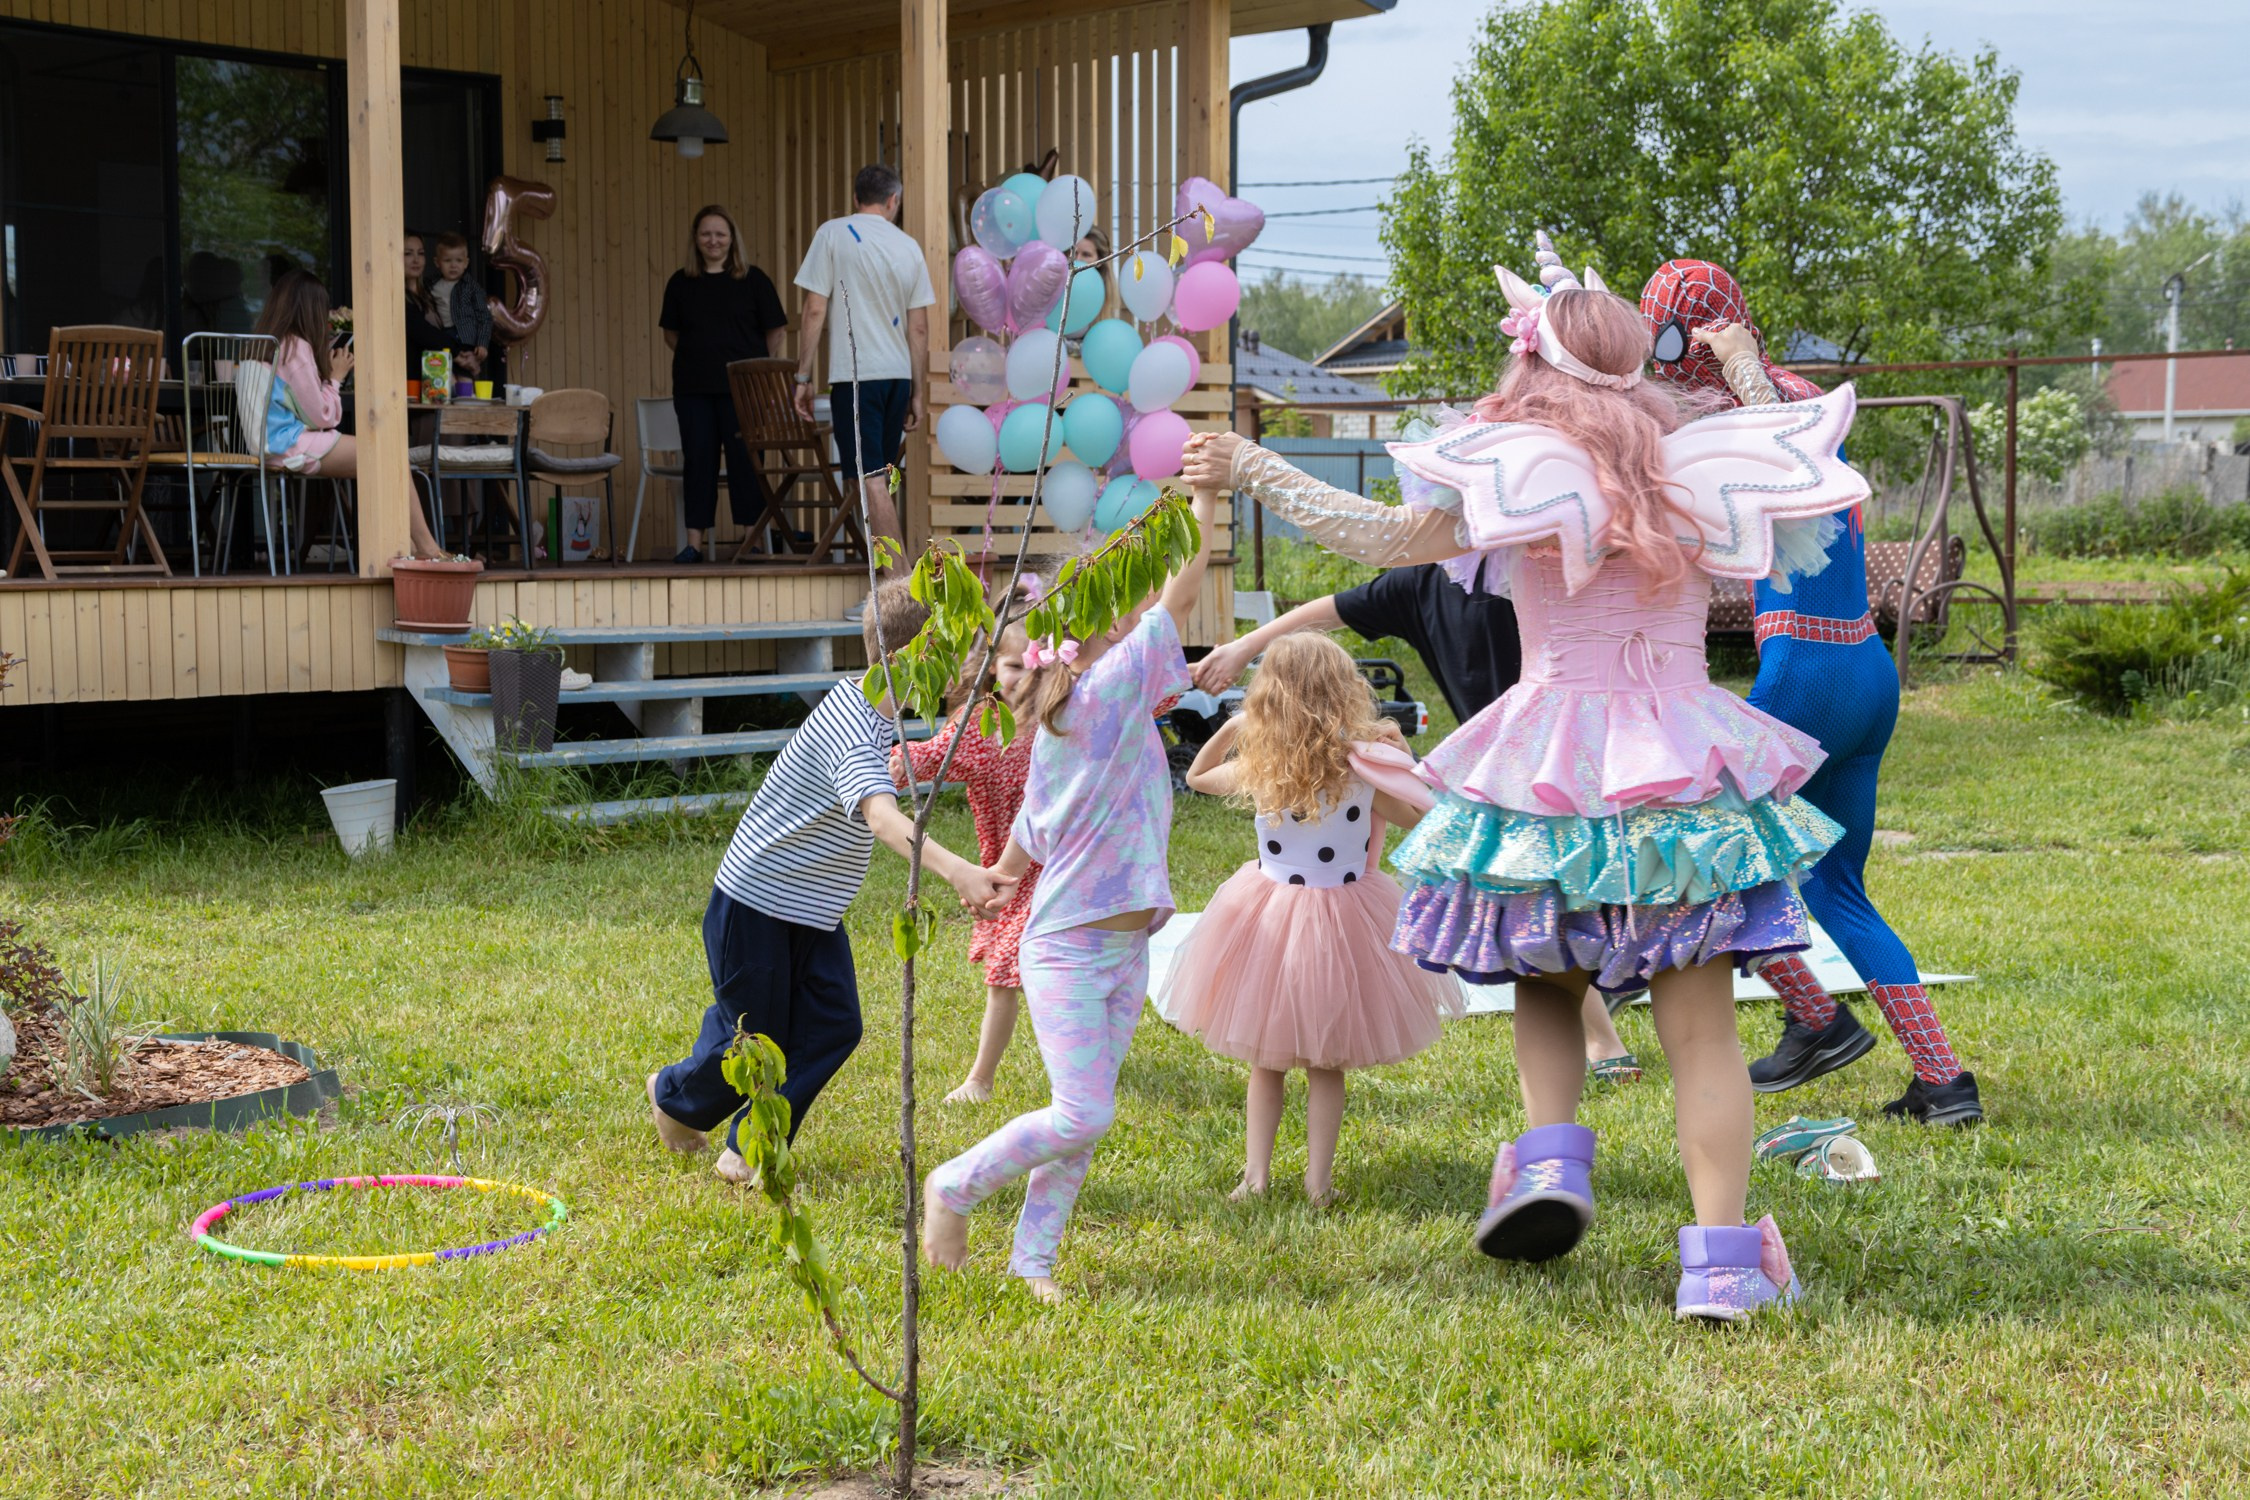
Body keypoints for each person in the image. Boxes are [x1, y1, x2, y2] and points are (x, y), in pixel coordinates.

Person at [1183, 232, 1872, 1321]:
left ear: (1532, 362)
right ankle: (1726, 1266)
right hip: (1681, 762)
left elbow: (1374, 536)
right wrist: (1739, 363)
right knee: (1701, 1029)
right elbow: (1801, 482)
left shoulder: (1509, 470)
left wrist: (1255, 466)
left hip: (1549, 758)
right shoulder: (1694, 464)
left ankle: (1553, 1165)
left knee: (1547, 980)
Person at [1639, 258, 1981, 1126]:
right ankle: (1943, 1082)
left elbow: (1783, 458)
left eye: (1669, 339)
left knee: (1692, 856)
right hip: (1865, 668)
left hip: (1805, 671)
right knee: (1836, 888)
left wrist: (1742, 368)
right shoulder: (1793, 400)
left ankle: (1817, 1017)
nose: (1666, 360)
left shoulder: (1768, 409)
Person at [923, 480, 1222, 1304]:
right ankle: (953, 1185)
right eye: (1119, 609)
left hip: (1122, 942)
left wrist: (1000, 879)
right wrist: (1205, 498)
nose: (1134, 617)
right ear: (1091, 631)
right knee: (1083, 1114)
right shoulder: (1110, 686)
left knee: (1081, 1118)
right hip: (1070, 945)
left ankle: (1033, 1262)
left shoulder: (1070, 715)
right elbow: (1186, 586)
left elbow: (1036, 825)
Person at [1190, 562, 1641, 1084]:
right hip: (1493, 765)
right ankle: (1600, 1022)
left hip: (1551, 743)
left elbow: (1410, 814)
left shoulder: (1539, 559)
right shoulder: (1423, 582)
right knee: (1529, 894)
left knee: (1557, 886)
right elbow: (1335, 608)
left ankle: (1603, 1001)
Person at [648, 580, 1015, 1185]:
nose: (966, 664)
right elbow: (880, 816)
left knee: (833, 1023)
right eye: (954, 650)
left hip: (813, 910)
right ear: (908, 659)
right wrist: (960, 871)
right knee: (754, 1038)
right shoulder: (853, 723)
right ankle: (674, 1097)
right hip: (758, 902)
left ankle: (745, 1141)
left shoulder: (879, 713)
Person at [1163, 633, 1462, 1205]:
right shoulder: (1359, 766)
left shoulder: (1263, 767)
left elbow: (1199, 776)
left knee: (1266, 1062)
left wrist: (1231, 728)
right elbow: (1414, 812)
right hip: (1339, 913)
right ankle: (1316, 1184)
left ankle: (1256, 1178)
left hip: (1274, 915)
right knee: (1328, 1062)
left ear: (1268, 696)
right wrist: (1392, 764)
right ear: (1343, 690)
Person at [891, 579, 1045, 1105]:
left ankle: (1085, 1051)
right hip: (1011, 873)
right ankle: (981, 1079)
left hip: (1071, 865)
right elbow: (923, 759)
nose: (1027, 678)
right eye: (1014, 666)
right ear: (990, 670)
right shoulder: (981, 726)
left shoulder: (1066, 719)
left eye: (1038, 665)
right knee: (1005, 972)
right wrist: (877, 765)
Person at [792, 163, 936, 601]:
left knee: (870, 478)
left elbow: (814, 309)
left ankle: (902, 586)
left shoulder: (833, 234)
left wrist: (802, 375)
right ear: (894, 200)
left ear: (857, 198)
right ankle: (884, 580)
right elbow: (919, 330)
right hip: (895, 377)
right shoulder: (909, 246)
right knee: (873, 478)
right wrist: (916, 390)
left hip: (856, 377)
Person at [252, 270, 442, 559]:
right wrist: (335, 377)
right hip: (291, 445)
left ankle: (411, 547)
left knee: (382, 463)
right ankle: (427, 549)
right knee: (391, 457)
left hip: (270, 444)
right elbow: (323, 416)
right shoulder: (297, 348)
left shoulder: (267, 342)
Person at [660, 205, 790, 563]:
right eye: (706, 234)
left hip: (745, 391)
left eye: (720, 234)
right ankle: (693, 544)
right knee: (697, 461)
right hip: (693, 388)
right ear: (696, 239)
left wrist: (752, 365)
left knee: (747, 462)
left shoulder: (753, 280)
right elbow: (672, 334)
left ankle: (752, 540)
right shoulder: (680, 283)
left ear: (732, 239)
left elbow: (776, 330)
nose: (713, 240)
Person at [425, 232, 493, 378]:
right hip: (442, 336)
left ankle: (469, 379)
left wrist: (482, 343)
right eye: (447, 260)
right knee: (444, 374)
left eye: (459, 260)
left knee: (464, 377)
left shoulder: (471, 287)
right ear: (437, 263)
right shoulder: (431, 285)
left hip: (465, 338)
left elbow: (484, 316)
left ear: (466, 263)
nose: (453, 265)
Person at [402, 234, 452, 364]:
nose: (416, 260)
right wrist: (458, 352)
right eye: (408, 254)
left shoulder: (430, 293)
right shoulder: (397, 299)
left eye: (421, 253)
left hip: (439, 371)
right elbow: (425, 333)